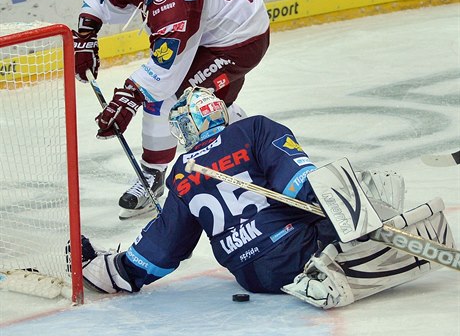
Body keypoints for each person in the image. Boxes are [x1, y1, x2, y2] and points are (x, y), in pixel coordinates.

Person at [79, 87, 455, 309]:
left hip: (252, 276)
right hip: (300, 248)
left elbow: (164, 246)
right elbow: (299, 184)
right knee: (371, 190)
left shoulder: (182, 172)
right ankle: (333, 264)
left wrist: (117, 271)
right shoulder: (253, 129)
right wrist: (359, 218)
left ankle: (322, 267)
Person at [72, 0, 270, 219]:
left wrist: (127, 99)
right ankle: (236, 127)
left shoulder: (179, 2)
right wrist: (86, 35)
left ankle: (152, 175)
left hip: (241, 39)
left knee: (169, 100)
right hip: (209, 32)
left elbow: (163, 75)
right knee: (185, 99)